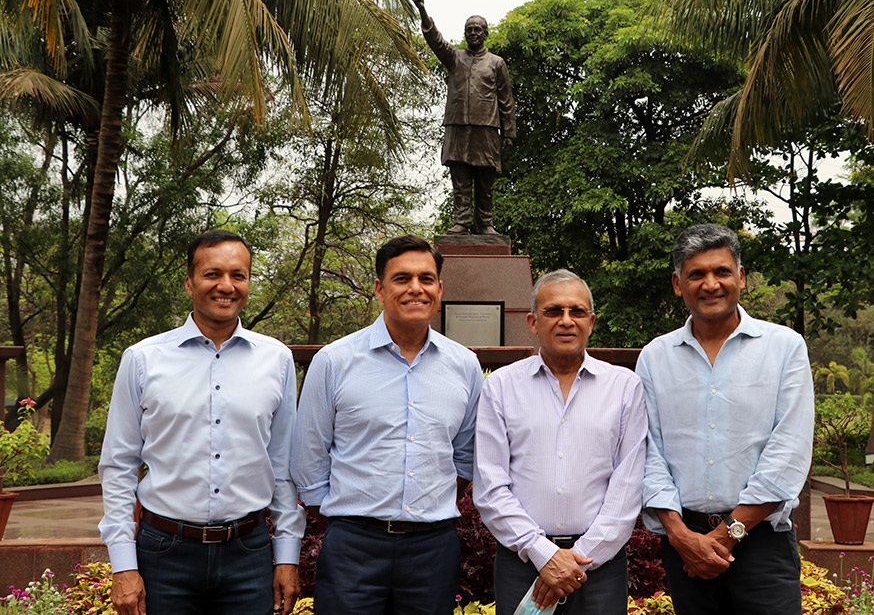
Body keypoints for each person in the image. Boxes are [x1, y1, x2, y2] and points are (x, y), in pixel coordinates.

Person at [99, 230, 305, 615]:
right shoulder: (143, 359)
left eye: (238, 275)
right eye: (213, 274)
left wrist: (287, 555)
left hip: (249, 551)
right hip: (164, 552)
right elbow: (118, 465)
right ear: (189, 282)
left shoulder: (276, 360)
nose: (226, 286)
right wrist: (124, 564)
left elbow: (282, 466)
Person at [291, 234, 483, 615]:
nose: (416, 289)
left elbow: (464, 456)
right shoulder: (334, 362)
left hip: (432, 549)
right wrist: (344, 521)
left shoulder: (464, 366)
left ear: (440, 289)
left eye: (426, 279)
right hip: (353, 547)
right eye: (402, 279)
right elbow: (308, 457)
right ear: (379, 288)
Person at [639, 224, 814, 615]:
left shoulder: (784, 348)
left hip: (761, 544)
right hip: (685, 546)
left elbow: (788, 452)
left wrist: (725, 536)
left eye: (721, 271)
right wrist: (680, 535)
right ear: (677, 283)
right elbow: (647, 451)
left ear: (741, 278)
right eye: (696, 274)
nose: (710, 284)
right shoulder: (655, 357)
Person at [475, 270, 647, 615]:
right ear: (533, 322)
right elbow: (490, 484)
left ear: (591, 321)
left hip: (600, 567)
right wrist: (544, 554)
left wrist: (574, 563)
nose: (566, 321)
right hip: (522, 564)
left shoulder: (625, 387)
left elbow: (627, 486)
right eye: (553, 311)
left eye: (577, 311)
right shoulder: (501, 388)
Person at [412, 0, 516, 236]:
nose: (473, 33)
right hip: (458, 126)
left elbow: (506, 99)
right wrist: (422, 9)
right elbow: (435, 39)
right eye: (469, 29)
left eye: (477, 29)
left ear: (486, 33)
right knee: (460, 179)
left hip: (487, 128)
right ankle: (462, 221)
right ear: (464, 33)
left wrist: (509, 132)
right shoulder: (455, 58)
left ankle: (486, 224)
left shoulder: (496, 63)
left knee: (485, 179)